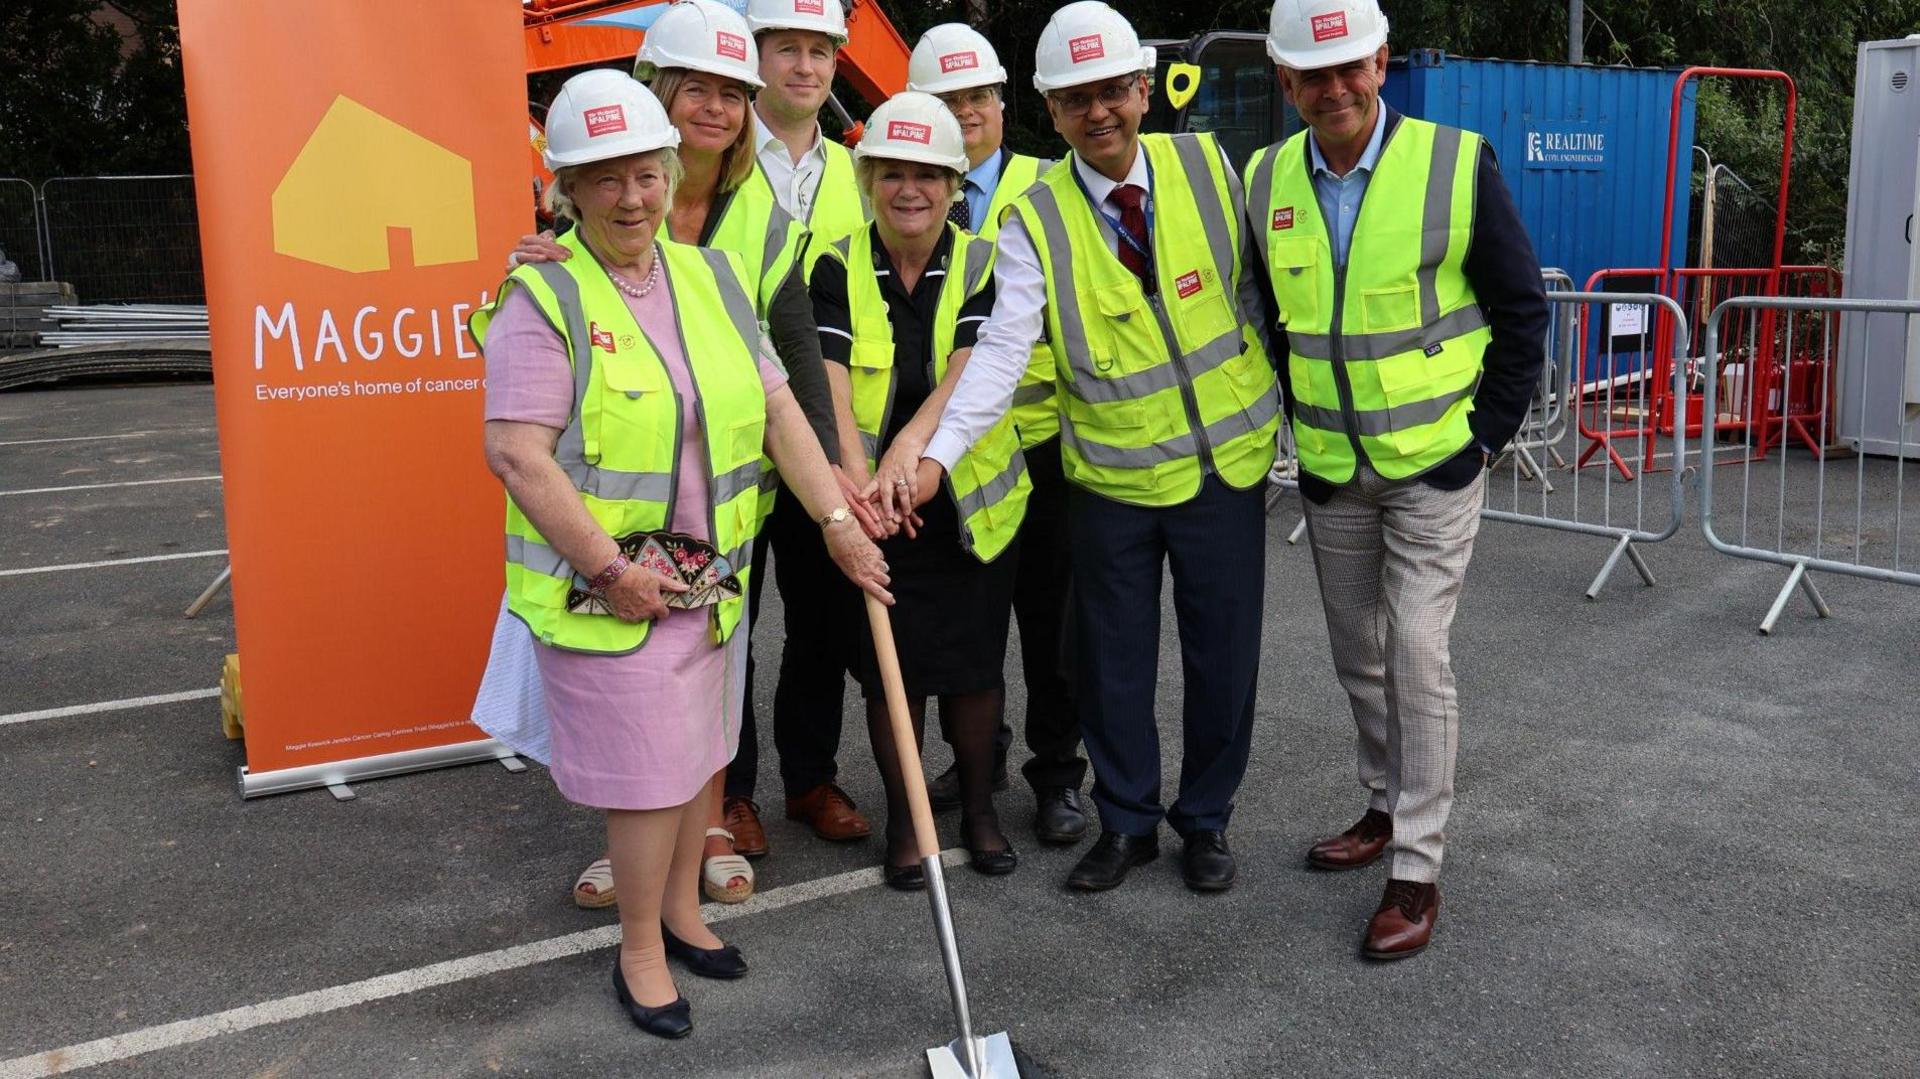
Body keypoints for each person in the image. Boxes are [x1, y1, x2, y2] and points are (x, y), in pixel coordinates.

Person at [473, 70, 890, 1038]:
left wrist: (834, 521)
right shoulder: (544, 295)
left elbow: (783, 407)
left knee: (700, 755)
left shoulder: (707, 277)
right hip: (611, 592)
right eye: (605, 178)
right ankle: (640, 950)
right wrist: (609, 569)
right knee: (648, 774)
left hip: (709, 583)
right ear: (566, 187)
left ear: (671, 172)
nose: (632, 198)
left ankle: (681, 910)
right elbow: (515, 453)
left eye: (646, 175)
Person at [892, 1, 1281, 894]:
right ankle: (1129, 821)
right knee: (1109, 661)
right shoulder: (1036, 218)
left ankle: (1206, 820)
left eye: (1112, 90)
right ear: (1052, 113)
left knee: (1224, 658)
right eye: (1076, 99)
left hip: (1228, 466)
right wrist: (938, 457)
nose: (1098, 111)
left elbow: (1264, 299)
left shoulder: (1210, 166)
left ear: (1143, 90)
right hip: (1111, 476)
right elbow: (998, 352)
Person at [1247, 0, 1546, 958]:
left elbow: (1521, 308)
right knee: (1359, 657)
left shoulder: (1456, 163)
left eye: (1349, 68)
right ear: (1286, 81)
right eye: (1311, 73)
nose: (1333, 88)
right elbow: (1269, 320)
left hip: (1433, 467)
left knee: (1417, 649)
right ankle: (1381, 803)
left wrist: (1485, 438)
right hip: (1334, 472)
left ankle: (1415, 865)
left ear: (1381, 62)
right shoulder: (1265, 179)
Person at [811, 92, 1032, 888]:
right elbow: (828, 380)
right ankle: (909, 819)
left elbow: (973, 371)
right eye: (893, 173)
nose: (911, 190)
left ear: (954, 181)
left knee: (974, 666)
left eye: (928, 175)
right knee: (889, 668)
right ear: (869, 178)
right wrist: (860, 482)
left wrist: (913, 450)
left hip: (965, 501)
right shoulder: (834, 259)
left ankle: (977, 811)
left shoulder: (984, 260)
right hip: (876, 503)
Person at [900, 22, 1090, 847]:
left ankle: (1058, 776)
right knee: (967, 625)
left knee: (1052, 626)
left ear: (1003, 105)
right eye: (946, 100)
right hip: (953, 454)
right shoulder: (907, 188)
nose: (965, 112)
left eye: (977, 96)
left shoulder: (1053, 186)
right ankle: (975, 760)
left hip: (1043, 446)